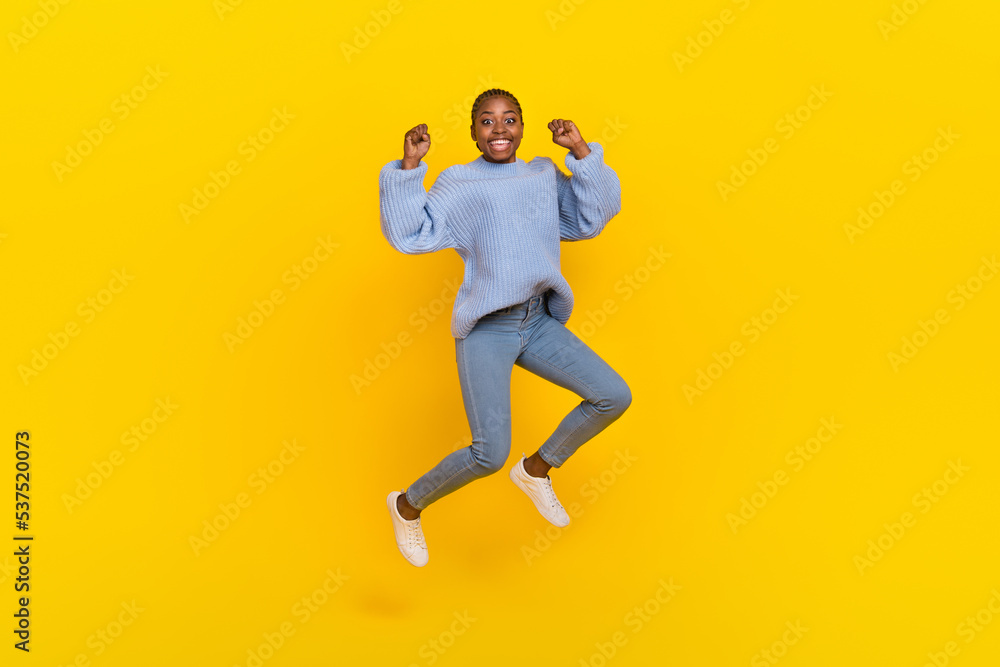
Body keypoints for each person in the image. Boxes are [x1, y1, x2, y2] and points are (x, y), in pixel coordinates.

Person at [379, 88, 631, 567]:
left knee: (613, 395)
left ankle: (537, 471)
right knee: (489, 455)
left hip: (536, 321)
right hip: (486, 330)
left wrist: (581, 152)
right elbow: (410, 235)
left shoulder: (540, 175)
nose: (500, 130)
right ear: (474, 133)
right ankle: (407, 506)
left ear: (522, 127)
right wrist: (409, 169)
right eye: (488, 122)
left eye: (509, 120)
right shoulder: (459, 183)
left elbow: (593, 218)